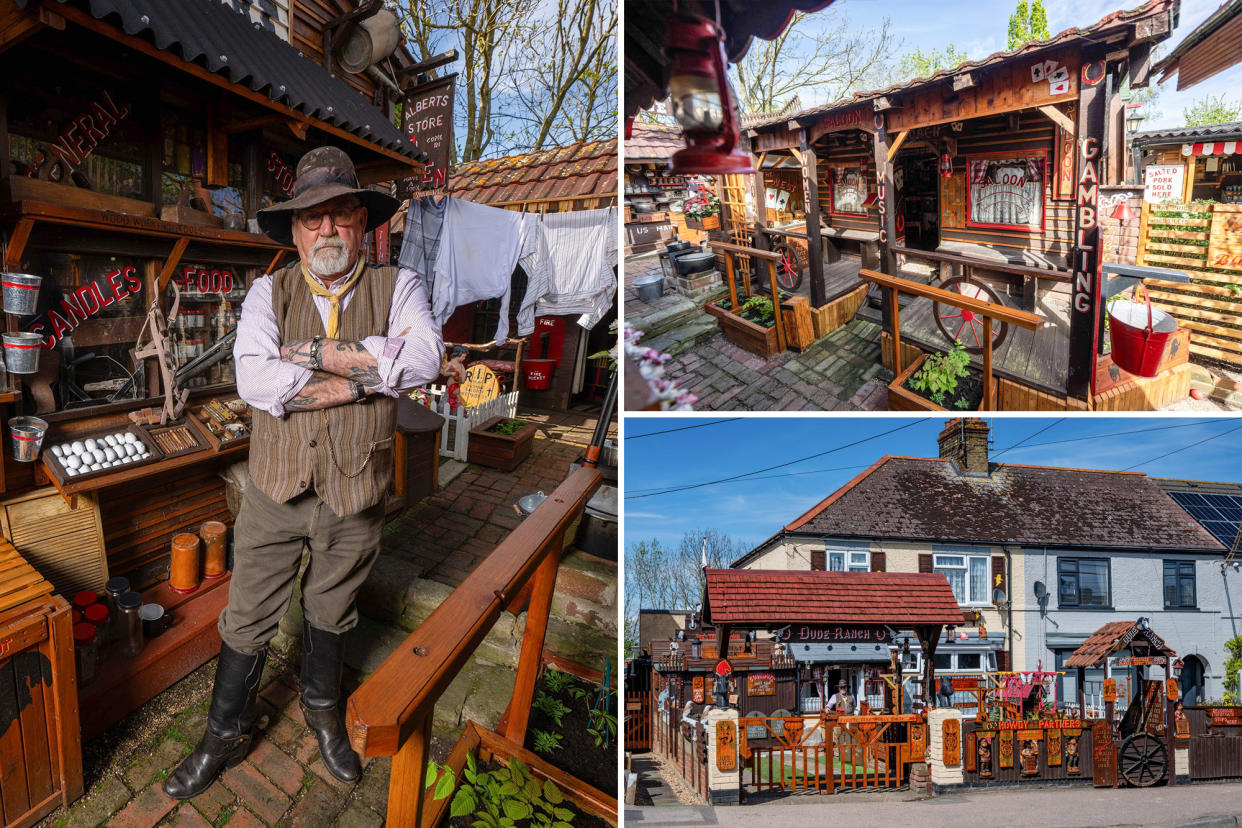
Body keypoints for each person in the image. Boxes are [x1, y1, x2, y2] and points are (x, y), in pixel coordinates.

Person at [164, 146, 443, 799]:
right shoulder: (269, 290)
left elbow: (424, 359)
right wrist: (369, 374)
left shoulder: (399, 285)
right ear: (294, 231)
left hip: (356, 492)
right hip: (276, 487)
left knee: (332, 607)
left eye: (340, 214)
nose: (326, 230)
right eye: (311, 217)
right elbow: (254, 376)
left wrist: (310, 354)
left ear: (361, 224)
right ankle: (221, 736)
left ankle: (322, 713)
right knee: (248, 614)